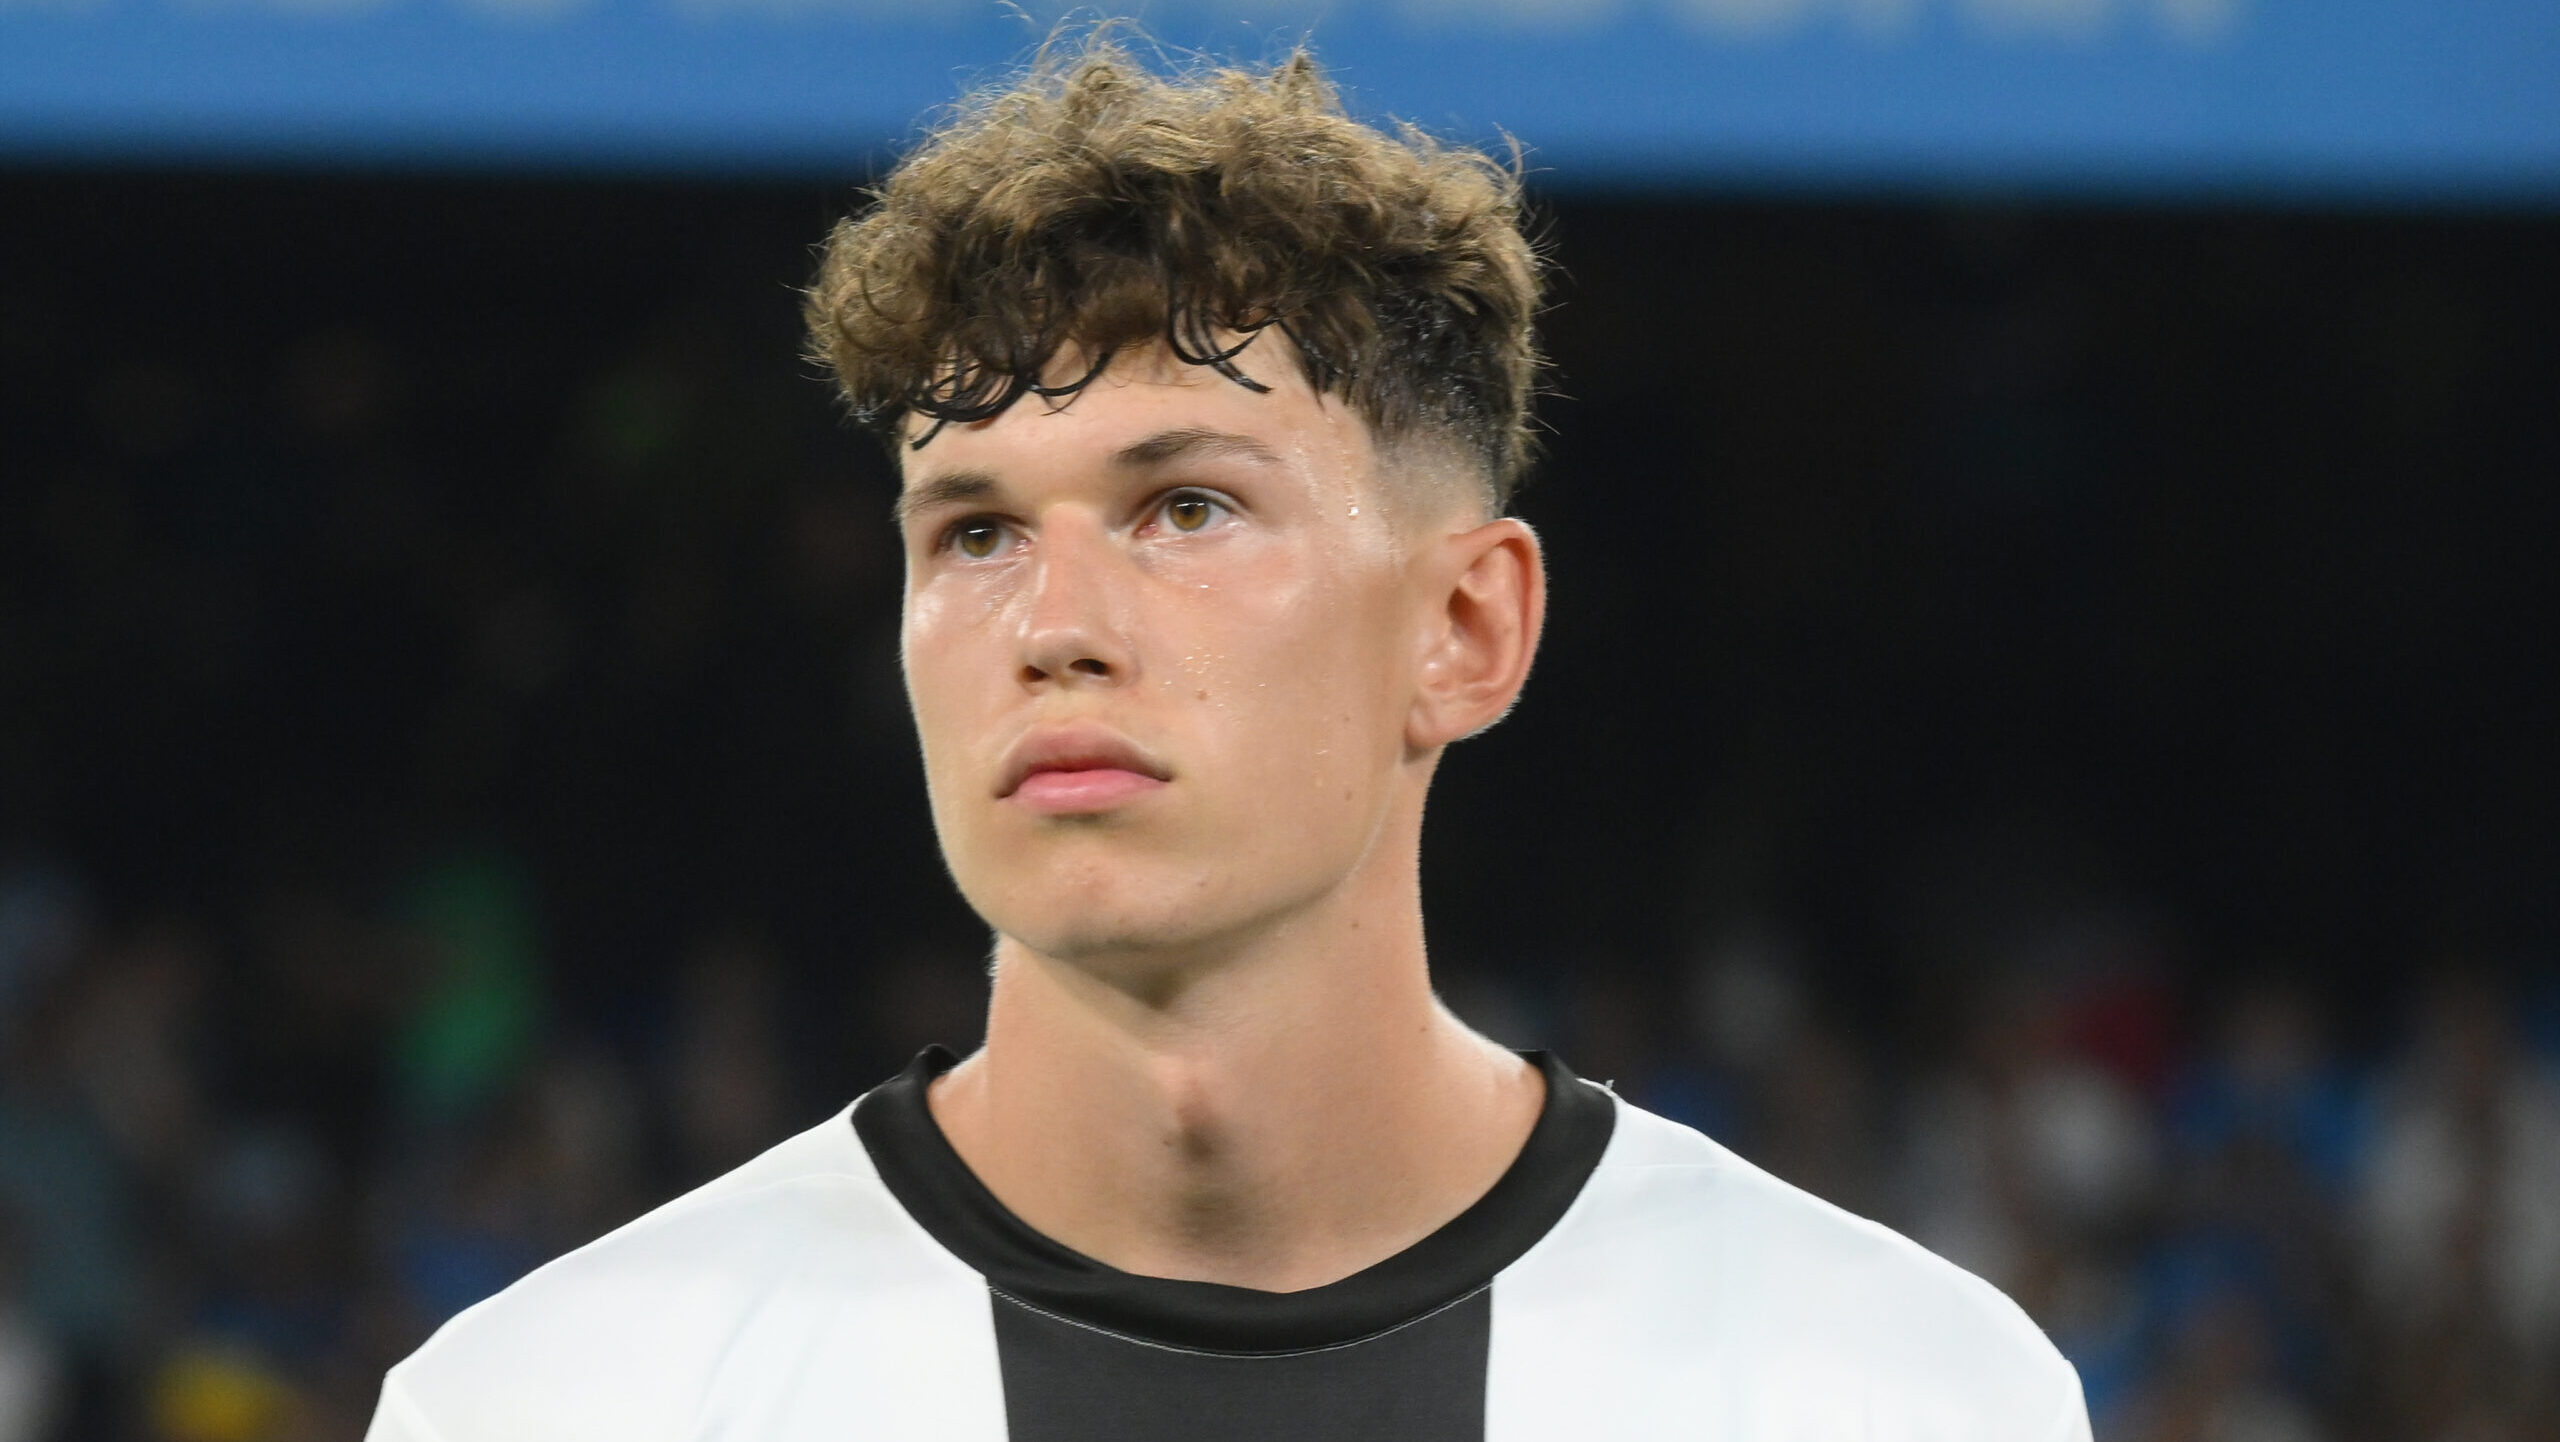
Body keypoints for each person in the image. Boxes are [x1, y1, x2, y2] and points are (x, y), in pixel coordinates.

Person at [365, 38, 2090, 1442]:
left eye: (1185, 506)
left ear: (1465, 628)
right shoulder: (557, 1407)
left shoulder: (1897, 1398)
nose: (1055, 624)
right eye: (975, 530)